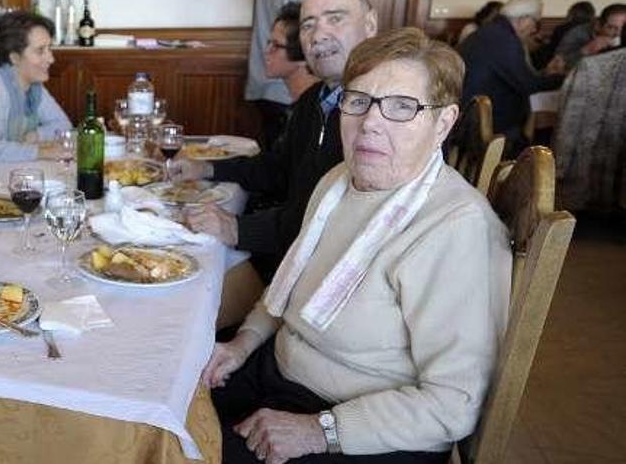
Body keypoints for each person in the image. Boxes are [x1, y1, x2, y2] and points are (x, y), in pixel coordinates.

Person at [201, 27, 512, 463]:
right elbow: (287, 287)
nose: (370, 123)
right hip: (279, 371)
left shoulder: (455, 228)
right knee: (163, 396)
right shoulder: (338, 181)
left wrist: (320, 431)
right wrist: (242, 344)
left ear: (443, 122)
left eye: (402, 107)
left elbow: (453, 403)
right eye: (358, 101)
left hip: (360, 430)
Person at [185, 0, 378, 284]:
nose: (319, 34)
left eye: (335, 19)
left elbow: (346, 220)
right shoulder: (315, 102)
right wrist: (206, 167)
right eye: (308, 25)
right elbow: (276, 169)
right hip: (292, 256)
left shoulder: (380, 115)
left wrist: (239, 228)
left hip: (337, 280)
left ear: (370, 25)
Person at [245, 0, 333, 146]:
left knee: (272, 160)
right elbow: (310, 33)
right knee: (287, 169)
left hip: (261, 80)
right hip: (289, 87)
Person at [0, 11, 72, 162]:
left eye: (49, 48)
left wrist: (34, 135)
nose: (51, 59)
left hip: (2, 170)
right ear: (14, 57)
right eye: (40, 51)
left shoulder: (34, 85)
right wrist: (40, 152)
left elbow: (63, 125)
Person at [459, 0, 564, 154]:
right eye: (535, 22)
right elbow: (528, 85)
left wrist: (546, 75)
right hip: (486, 127)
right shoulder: (505, 40)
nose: (535, 29)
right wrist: (563, 78)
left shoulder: (490, 32)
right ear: (523, 19)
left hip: (468, 116)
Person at [264, 2, 319, 105]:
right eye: (269, 43)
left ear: (304, 54)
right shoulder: (303, 101)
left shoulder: (314, 109)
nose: (266, 51)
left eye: (276, 45)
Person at [555, 3, 626, 68]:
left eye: (624, 28)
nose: (619, 33)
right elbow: (556, 65)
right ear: (598, 25)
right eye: (612, 28)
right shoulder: (578, 34)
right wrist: (585, 51)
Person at [531, 0, 594, 70]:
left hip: (558, 63)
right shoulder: (592, 29)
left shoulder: (562, 28)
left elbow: (553, 48)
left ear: (572, 13)